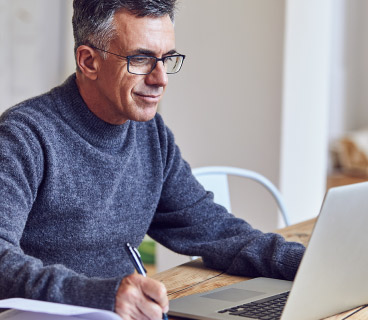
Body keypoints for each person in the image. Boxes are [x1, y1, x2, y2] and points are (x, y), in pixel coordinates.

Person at [0, 0, 305, 319]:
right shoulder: (24, 136)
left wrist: (311, 264)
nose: (161, 79)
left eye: (167, 58)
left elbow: (215, 230)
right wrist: (102, 296)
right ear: (89, 61)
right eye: (141, 59)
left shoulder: (151, 134)